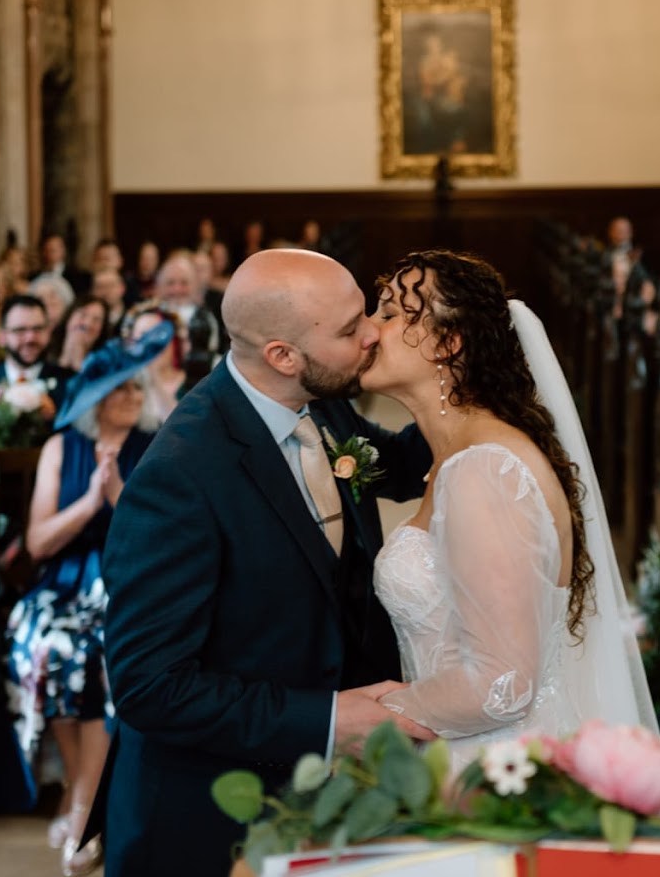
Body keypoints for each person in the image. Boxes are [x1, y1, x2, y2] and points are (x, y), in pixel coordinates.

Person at [87, 249, 436, 876]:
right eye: (349, 328)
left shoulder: (318, 401)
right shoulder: (179, 477)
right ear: (282, 355)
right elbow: (149, 686)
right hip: (211, 815)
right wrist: (328, 719)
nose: (372, 334)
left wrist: (448, 377)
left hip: (323, 796)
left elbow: (401, 466)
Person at [361, 251, 657, 770]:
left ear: (448, 343)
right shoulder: (459, 458)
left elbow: (502, 684)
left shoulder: (483, 470)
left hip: (496, 770)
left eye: (389, 314)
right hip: (463, 752)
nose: (368, 329)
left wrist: (374, 716)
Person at [7, 324, 172, 877]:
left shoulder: (158, 445)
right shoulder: (63, 447)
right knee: (47, 648)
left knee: (105, 654)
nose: (129, 398)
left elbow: (162, 538)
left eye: (135, 389)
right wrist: (88, 501)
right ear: (94, 399)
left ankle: (81, 806)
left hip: (129, 577)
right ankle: (83, 793)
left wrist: (119, 495)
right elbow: (37, 542)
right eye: (117, 389)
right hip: (64, 578)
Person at [0, 295, 73, 409]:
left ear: (48, 332)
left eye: (38, 329)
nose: (30, 338)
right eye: (20, 330)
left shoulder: (69, 382)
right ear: (2, 337)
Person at [121, 304, 187, 422]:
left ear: (174, 341)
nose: (152, 342)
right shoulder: (123, 386)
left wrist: (154, 375)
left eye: (159, 333)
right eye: (143, 335)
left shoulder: (196, 382)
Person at [49, 295, 110, 373]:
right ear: (69, 317)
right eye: (83, 315)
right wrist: (65, 358)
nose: (87, 324)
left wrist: (79, 361)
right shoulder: (46, 349)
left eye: (96, 319)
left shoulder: (106, 364)